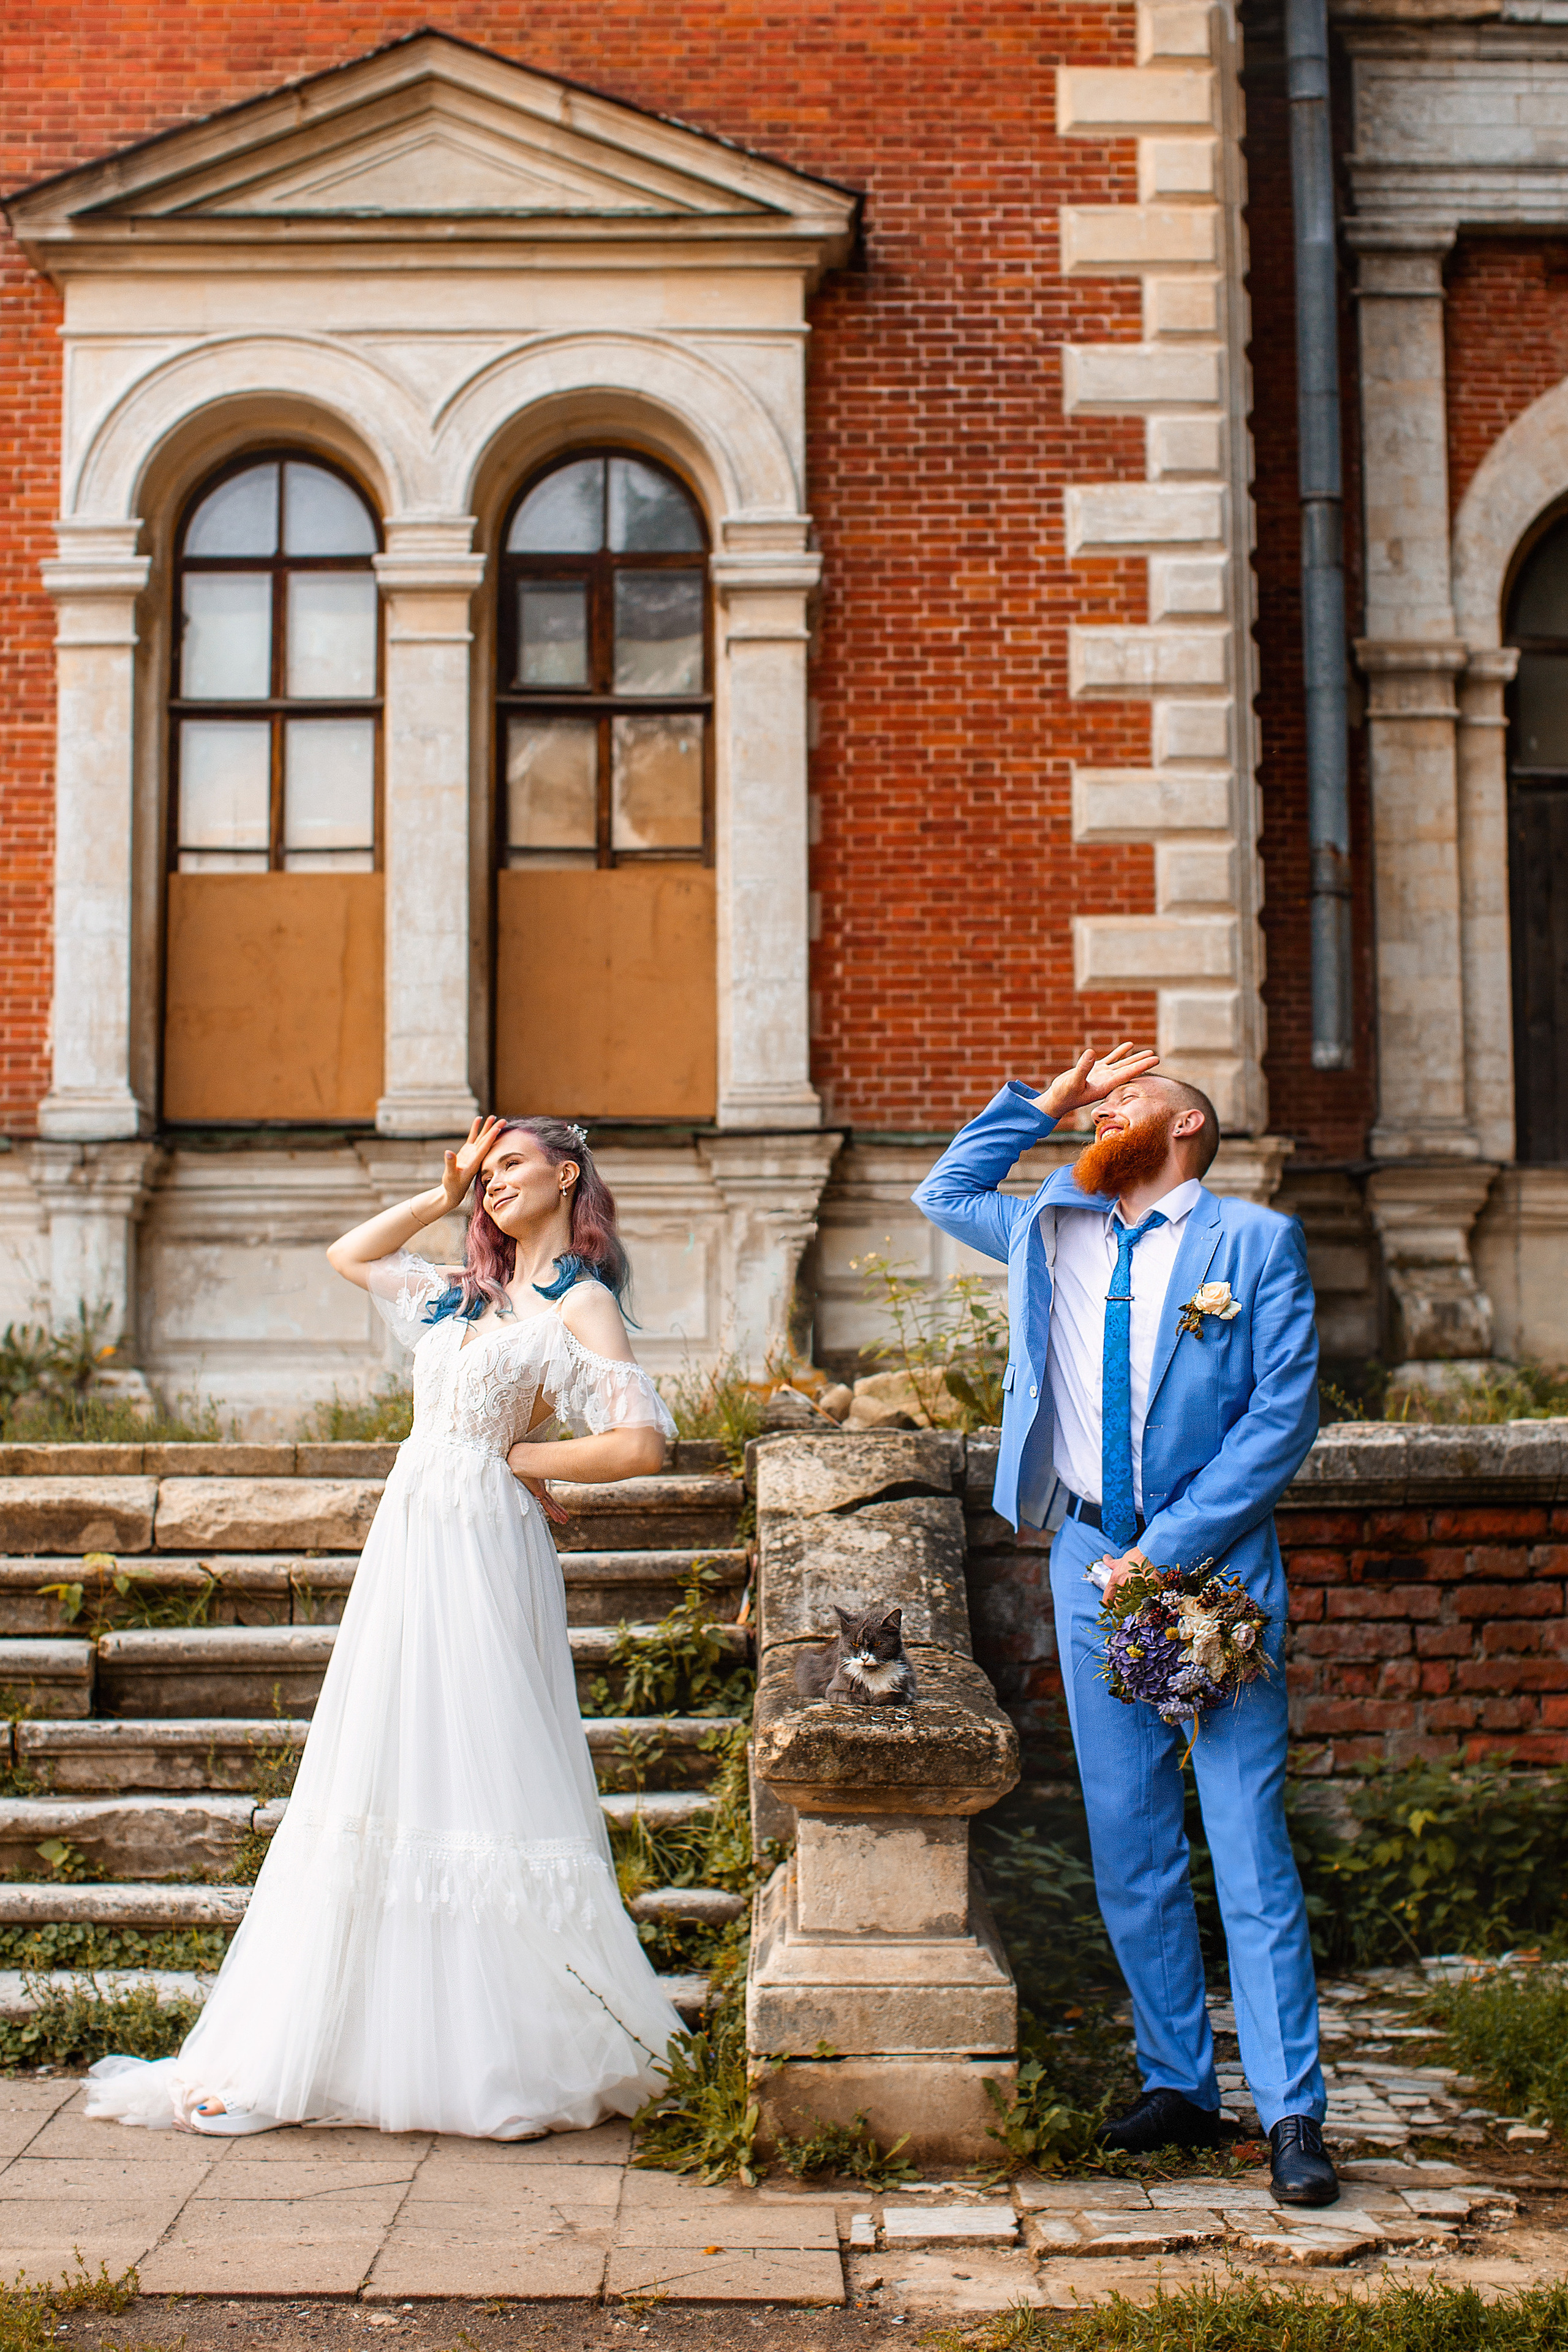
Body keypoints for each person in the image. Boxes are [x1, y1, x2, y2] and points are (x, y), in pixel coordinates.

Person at [85, 1115, 683, 2139]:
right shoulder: (462, 1293)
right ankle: (331, 2045)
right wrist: (443, 1194)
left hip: (485, 1543)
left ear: (565, 1173)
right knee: (382, 1762)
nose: (492, 1182)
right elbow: (349, 1255)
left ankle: (507, 2056)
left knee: (483, 1765)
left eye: (508, 1166)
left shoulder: (577, 1301)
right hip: (411, 1539)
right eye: (484, 1170)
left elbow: (640, 1444)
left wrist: (517, 1464)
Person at [913, 1044, 1336, 2206]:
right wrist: (1046, 1104)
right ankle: (1180, 2087)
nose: (1107, 1105)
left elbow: (1280, 1416)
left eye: (1130, 1096)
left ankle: (1294, 2113)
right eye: (1097, 1100)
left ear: (1189, 1127)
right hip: (1088, 1556)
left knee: (1246, 1841)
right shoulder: (1054, 1229)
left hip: (1213, 1566)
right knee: (1132, 1842)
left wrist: (1172, 1547)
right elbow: (945, 1192)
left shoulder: (1252, 1243)